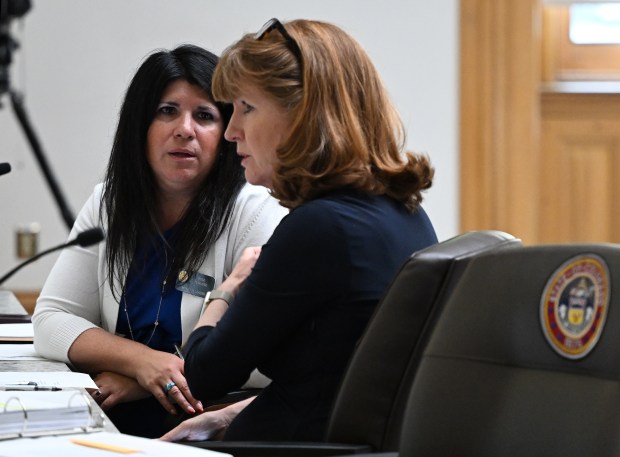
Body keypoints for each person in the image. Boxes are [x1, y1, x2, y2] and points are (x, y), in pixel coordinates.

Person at [161, 19, 438, 443]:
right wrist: (229, 415)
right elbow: (338, 381)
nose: (232, 130)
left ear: (305, 115)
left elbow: (200, 375)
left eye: (246, 108)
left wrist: (226, 290)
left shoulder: (318, 229)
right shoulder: (406, 214)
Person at [31, 44, 287, 438]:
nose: (184, 128)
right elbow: (51, 321)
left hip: (206, 425)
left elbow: (263, 358)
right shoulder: (108, 203)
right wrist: (140, 362)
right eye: (167, 111)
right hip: (109, 421)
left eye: (204, 115)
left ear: (226, 133)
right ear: (140, 126)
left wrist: (152, 378)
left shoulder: (254, 211)